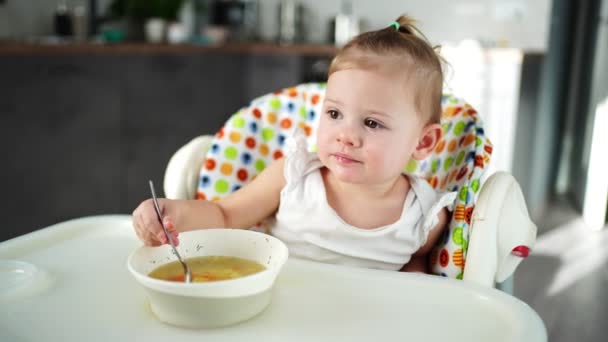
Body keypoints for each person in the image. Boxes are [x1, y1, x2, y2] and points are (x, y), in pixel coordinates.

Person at [132, 15, 456, 274]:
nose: (345, 135)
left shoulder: (423, 216)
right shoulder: (294, 177)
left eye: (371, 123)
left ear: (423, 142)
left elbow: (417, 273)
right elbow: (224, 215)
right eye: (334, 113)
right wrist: (171, 213)